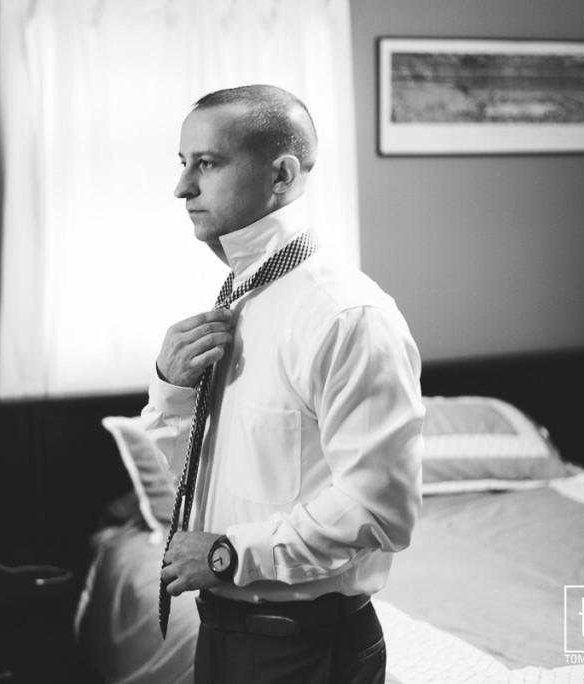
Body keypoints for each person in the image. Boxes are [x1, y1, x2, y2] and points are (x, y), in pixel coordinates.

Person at [144, 84, 425, 684]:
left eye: (208, 163)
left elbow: (380, 508)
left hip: (305, 654)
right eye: (182, 163)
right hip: (225, 638)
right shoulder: (243, 302)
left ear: (282, 174)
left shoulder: (345, 316)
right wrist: (170, 387)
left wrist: (226, 554)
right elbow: (197, 474)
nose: (182, 187)